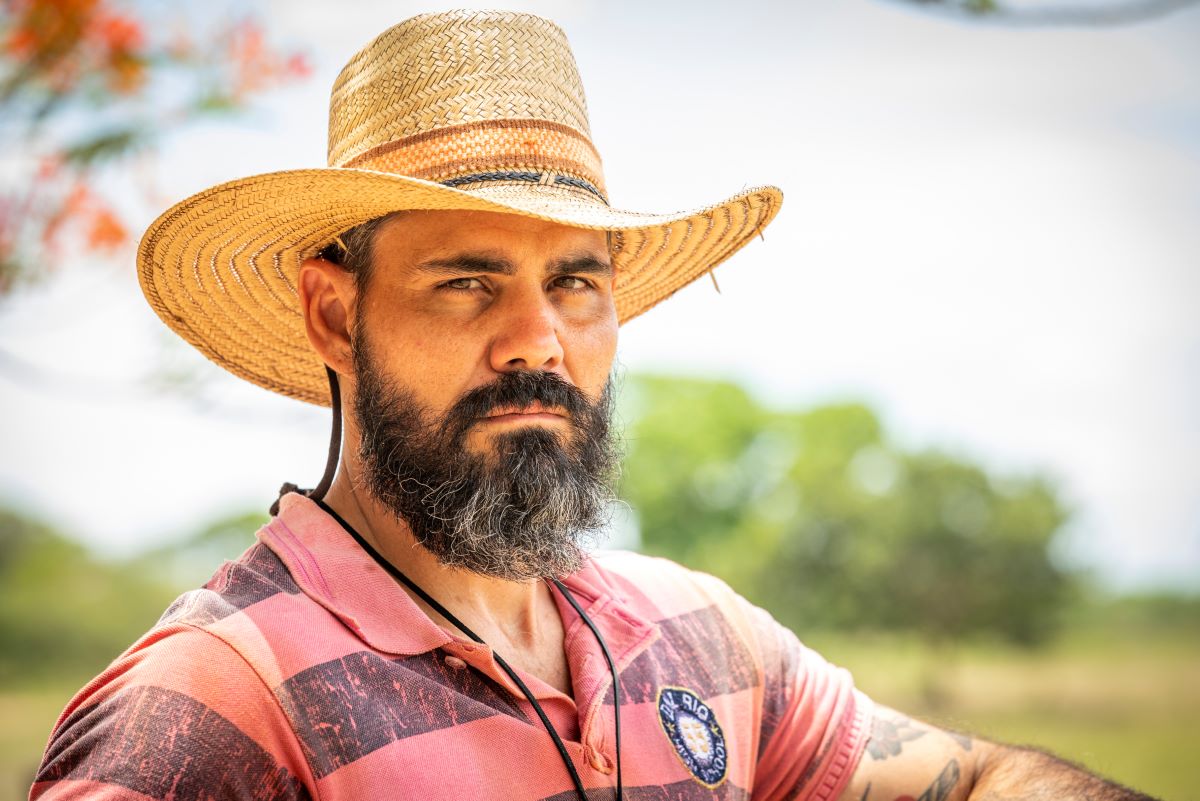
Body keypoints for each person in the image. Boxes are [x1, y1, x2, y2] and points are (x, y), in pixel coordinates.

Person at [32, 10, 1155, 801]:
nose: (538, 340)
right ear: (334, 313)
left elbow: (977, 781)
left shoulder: (697, 639)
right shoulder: (213, 707)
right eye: (466, 281)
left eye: (576, 283)